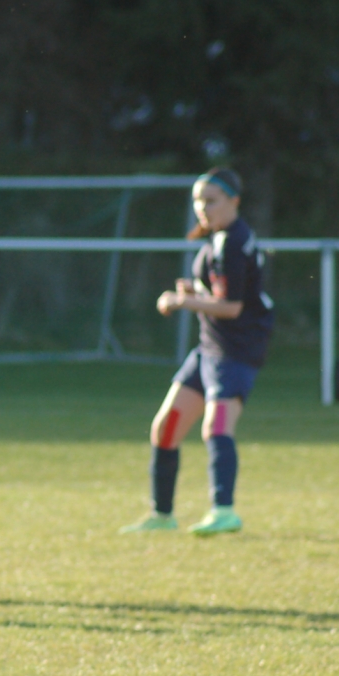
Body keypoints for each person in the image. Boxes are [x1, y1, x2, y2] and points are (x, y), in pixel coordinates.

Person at [120, 168, 274, 536]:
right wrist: (196, 292)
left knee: (216, 427)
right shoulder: (221, 238)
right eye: (198, 201)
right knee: (166, 427)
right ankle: (162, 516)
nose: (202, 208)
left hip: (235, 351)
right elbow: (222, 294)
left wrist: (182, 301)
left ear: (234, 201)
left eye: (211, 200)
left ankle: (224, 511)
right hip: (210, 347)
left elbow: (232, 307)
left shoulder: (232, 242)